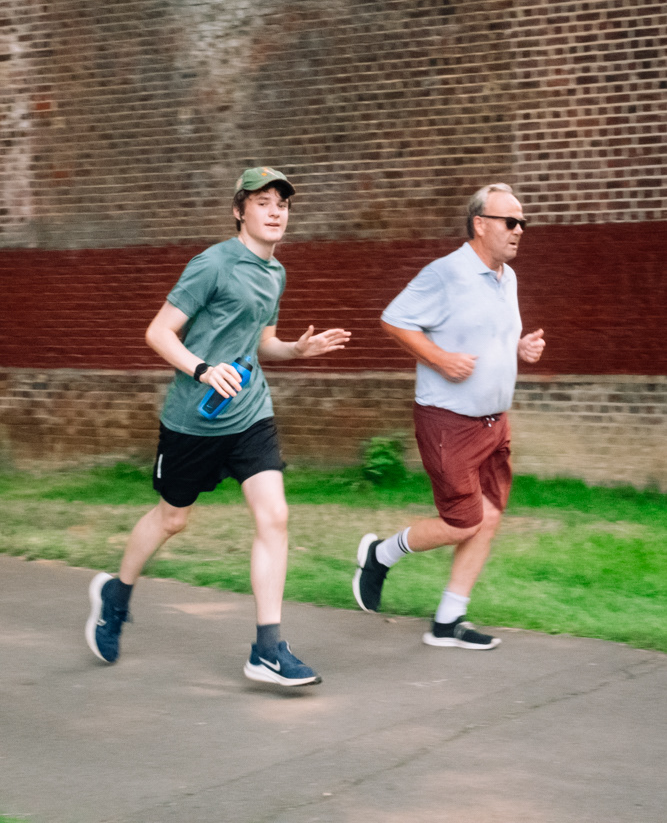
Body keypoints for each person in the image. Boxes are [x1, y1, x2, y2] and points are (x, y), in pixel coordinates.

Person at [86, 166, 350, 685]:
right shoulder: (212, 264)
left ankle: (267, 649)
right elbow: (158, 333)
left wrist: (297, 349)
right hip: (195, 419)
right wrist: (204, 369)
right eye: (263, 202)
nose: (275, 212)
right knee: (172, 519)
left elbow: (261, 343)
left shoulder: (275, 273)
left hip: (250, 413)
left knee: (274, 516)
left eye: (282, 205)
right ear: (238, 211)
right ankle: (116, 594)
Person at [353, 183, 544, 649]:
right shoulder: (445, 273)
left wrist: (519, 348)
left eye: (522, 222)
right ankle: (380, 554)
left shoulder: (507, 278)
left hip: (494, 423)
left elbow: (488, 335)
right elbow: (394, 319)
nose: (519, 230)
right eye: (510, 221)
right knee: (463, 521)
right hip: (448, 421)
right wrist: (439, 359)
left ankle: (447, 621)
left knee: (489, 516)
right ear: (480, 224)